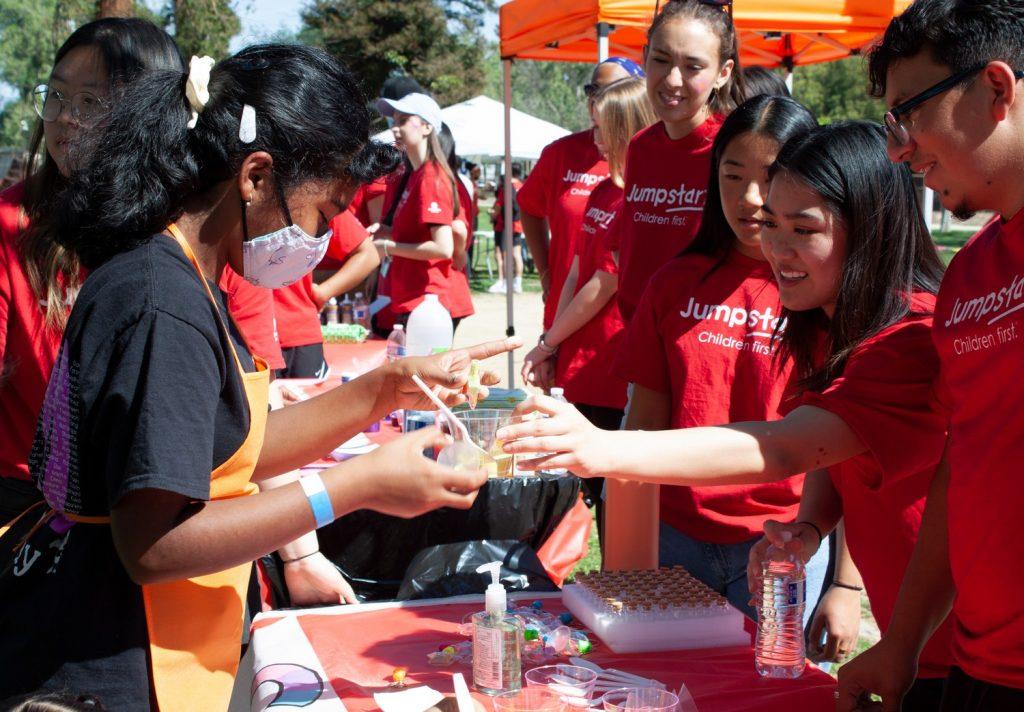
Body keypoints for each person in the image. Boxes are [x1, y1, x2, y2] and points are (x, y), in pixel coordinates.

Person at [0, 44, 516, 708]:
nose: (322, 238)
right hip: (106, 667)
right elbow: (153, 545)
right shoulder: (163, 302)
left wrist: (384, 390)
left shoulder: (187, 274)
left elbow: (215, 452)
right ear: (255, 177)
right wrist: (352, 487)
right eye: (321, 213)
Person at [497, 123, 955, 697]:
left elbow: (788, 445)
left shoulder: (907, 336)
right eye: (771, 226)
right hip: (918, 642)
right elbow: (840, 451)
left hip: (961, 651)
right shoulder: (834, 324)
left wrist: (601, 445)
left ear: (871, 230)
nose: (777, 250)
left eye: (803, 229)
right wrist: (811, 526)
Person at [838, 1, 1024, 709]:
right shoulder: (970, 274)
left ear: (997, 90)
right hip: (978, 670)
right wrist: (903, 642)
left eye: (909, 115)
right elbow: (965, 462)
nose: (897, 150)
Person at [0, 18, 185, 523]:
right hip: (33, 514)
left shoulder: (194, 227)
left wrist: (300, 555)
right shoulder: (11, 223)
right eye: (56, 97)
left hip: (174, 508)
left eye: (91, 103)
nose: (65, 119)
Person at [522, 78, 656, 425]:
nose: (595, 139)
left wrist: (549, 343)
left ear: (630, 130)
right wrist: (552, 342)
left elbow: (603, 284)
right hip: (575, 359)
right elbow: (576, 273)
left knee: (602, 471)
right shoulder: (602, 191)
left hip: (611, 363)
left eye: (604, 129)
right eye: (594, 127)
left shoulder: (642, 199)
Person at [614, 0, 744, 325]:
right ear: (644, 57)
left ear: (722, 73)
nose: (672, 79)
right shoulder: (640, 146)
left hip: (700, 334)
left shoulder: (733, 150)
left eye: (693, 67)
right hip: (637, 333)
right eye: (661, 60)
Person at [516, 57, 639, 333]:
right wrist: (546, 274)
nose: (597, 100)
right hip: (565, 307)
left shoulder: (648, 157)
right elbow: (529, 206)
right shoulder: (561, 153)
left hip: (618, 323)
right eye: (592, 90)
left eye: (610, 90)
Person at [373, 94, 473, 332]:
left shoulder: (430, 177)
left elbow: (443, 248)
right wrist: (385, 231)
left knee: (422, 370)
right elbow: (418, 235)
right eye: (394, 122)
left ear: (427, 127)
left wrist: (387, 246)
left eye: (404, 120)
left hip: (430, 300)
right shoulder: (417, 175)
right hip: (417, 297)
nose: (396, 128)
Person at [271, 211, 380, 379]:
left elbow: (368, 254)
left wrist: (323, 292)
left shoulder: (311, 191)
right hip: (248, 335)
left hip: (297, 333)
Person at [488, 164, 524, 294]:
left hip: (505, 225)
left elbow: (499, 205)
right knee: (517, 254)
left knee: (503, 254)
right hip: (519, 223)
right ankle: (518, 283)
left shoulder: (506, 187)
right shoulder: (522, 186)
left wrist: (492, 215)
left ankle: (505, 283)